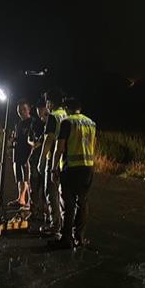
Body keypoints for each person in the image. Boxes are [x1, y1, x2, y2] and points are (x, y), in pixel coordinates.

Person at [49, 96, 96, 249]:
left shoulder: (67, 122)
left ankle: (66, 238)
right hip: (88, 167)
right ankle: (80, 238)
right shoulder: (91, 123)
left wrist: (54, 167)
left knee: (68, 204)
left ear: (68, 109)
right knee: (82, 203)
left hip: (70, 168)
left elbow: (60, 147)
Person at [36, 89, 68, 236]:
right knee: (60, 193)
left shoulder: (53, 116)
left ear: (51, 102)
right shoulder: (66, 115)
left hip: (53, 158)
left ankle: (54, 225)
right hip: (63, 159)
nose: (46, 105)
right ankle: (61, 223)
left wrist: (41, 160)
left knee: (50, 191)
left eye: (47, 102)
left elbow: (48, 140)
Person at [8, 99, 34, 209]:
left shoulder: (32, 122)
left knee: (27, 178)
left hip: (27, 154)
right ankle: (21, 199)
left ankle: (30, 202)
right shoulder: (18, 123)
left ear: (28, 110)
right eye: (19, 110)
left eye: (23, 109)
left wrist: (30, 156)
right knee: (19, 178)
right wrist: (13, 139)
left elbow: (33, 140)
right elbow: (18, 137)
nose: (21, 112)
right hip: (17, 154)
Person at [28, 103, 49, 225]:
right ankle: (35, 211)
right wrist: (33, 143)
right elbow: (30, 138)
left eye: (41, 110)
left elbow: (47, 139)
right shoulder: (35, 122)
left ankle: (46, 213)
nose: (39, 112)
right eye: (38, 110)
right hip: (35, 158)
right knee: (34, 186)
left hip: (45, 158)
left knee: (46, 188)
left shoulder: (51, 121)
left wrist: (40, 143)